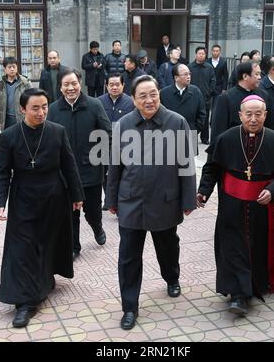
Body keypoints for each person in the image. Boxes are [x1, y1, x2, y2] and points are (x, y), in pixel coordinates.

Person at [106, 75, 196, 330]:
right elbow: (115, 166)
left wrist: (188, 199)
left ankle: (171, 278)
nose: (149, 100)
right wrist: (111, 199)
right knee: (128, 256)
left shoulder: (176, 122)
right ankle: (130, 307)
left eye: (153, 94)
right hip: (131, 200)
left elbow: (186, 164)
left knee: (167, 246)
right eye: (142, 96)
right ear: (133, 99)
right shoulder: (123, 124)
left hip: (165, 200)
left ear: (160, 94)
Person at [0, 88, 84, 328]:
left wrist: (77, 195)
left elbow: (69, 164)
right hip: (23, 198)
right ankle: (25, 303)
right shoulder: (9, 136)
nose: (41, 112)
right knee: (22, 249)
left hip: (53, 197)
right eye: (35, 108)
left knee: (46, 244)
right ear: (22, 109)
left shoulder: (57, 132)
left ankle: (44, 279)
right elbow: (1, 171)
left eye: (45, 107)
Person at [197, 95, 274, 316]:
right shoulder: (226, 138)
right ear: (240, 115)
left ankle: (254, 286)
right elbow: (212, 167)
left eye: (258, 114)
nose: (253, 119)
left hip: (262, 207)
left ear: (265, 115)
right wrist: (203, 191)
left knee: (256, 247)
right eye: (248, 114)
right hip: (231, 203)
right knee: (232, 246)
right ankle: (239, 295)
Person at [47, 68, 112, 259]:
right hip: (65, 174)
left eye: (74, 83)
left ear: (80, 83)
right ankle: (74, 245)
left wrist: (101, 160)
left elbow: (106, 134)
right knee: (69, 214)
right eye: (66, 84)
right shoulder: (53, 109)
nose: (70, 88)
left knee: (92, 211)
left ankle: (97, 227)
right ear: (60, 87)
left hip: (90, 170)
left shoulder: (94, 105)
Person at [98, 73, 134, 208]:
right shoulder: (99, 102)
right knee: (105, 173)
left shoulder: (130, 102)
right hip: (103, 143)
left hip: (125, 143)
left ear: (123, 85)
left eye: (117, 85)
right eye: (111, 85)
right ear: (106, 86)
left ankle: (120, 199)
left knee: (121, 171)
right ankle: (109, 199)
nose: (114, 87)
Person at [211, 61, 271, 142]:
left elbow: (269, 124)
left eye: (260, 74)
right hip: (234, 145)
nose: (260, 77)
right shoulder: (225, 98)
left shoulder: (264, 95)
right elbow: (218, 130)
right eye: (256, 74)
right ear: (245, 76)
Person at [160, 64, 206, 155]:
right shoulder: (165, 93)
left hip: (189, 134)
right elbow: (160, 115)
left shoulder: (195, 91)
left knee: (188, 166)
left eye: (189, 74)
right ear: (176, 78)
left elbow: (202, 114)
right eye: (185, 74)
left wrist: (194, 130)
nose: (188, 77)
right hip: (169, 136)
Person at [0, 57, 32, 130]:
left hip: (22, 118)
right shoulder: (0, 84)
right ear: (5, 69)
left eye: (14, 67)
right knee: (7, 139)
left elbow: (32, 100)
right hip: (6, 119)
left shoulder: (25, 82)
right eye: (9, 67)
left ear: (17, 68)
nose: (12, 69)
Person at [188, 46, 216, 145]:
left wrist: (209, 92)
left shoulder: (209, 67)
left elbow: (213, 81)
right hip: (192, 97)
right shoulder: (190, 67)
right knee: (193, 118)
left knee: (204, 117)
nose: (201, 55)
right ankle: (192, 137)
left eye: (203, 54)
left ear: (205, 55)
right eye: (199, 53)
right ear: (196, 54)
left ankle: (205, 138)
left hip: (205, 97)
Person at [207, 44, 228, 112]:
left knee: (216, 106)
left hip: (219, 86)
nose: (215, 52)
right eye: (214, 51)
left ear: (219, 52)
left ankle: (213, 121)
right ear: (211, 51)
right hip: (208, 86)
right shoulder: (207, 61)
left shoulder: (223, 62)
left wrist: (224, 88)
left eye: (217, 51)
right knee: (207, 105)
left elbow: (225, 76)